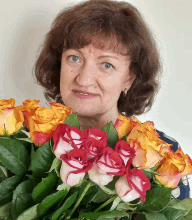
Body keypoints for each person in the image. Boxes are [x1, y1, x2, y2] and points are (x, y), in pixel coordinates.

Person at [34, 0, 190, 202]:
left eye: (106, 65)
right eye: (74, 58)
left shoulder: (163, 156)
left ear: (129, 79)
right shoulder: (31, 144)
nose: (84, 79)